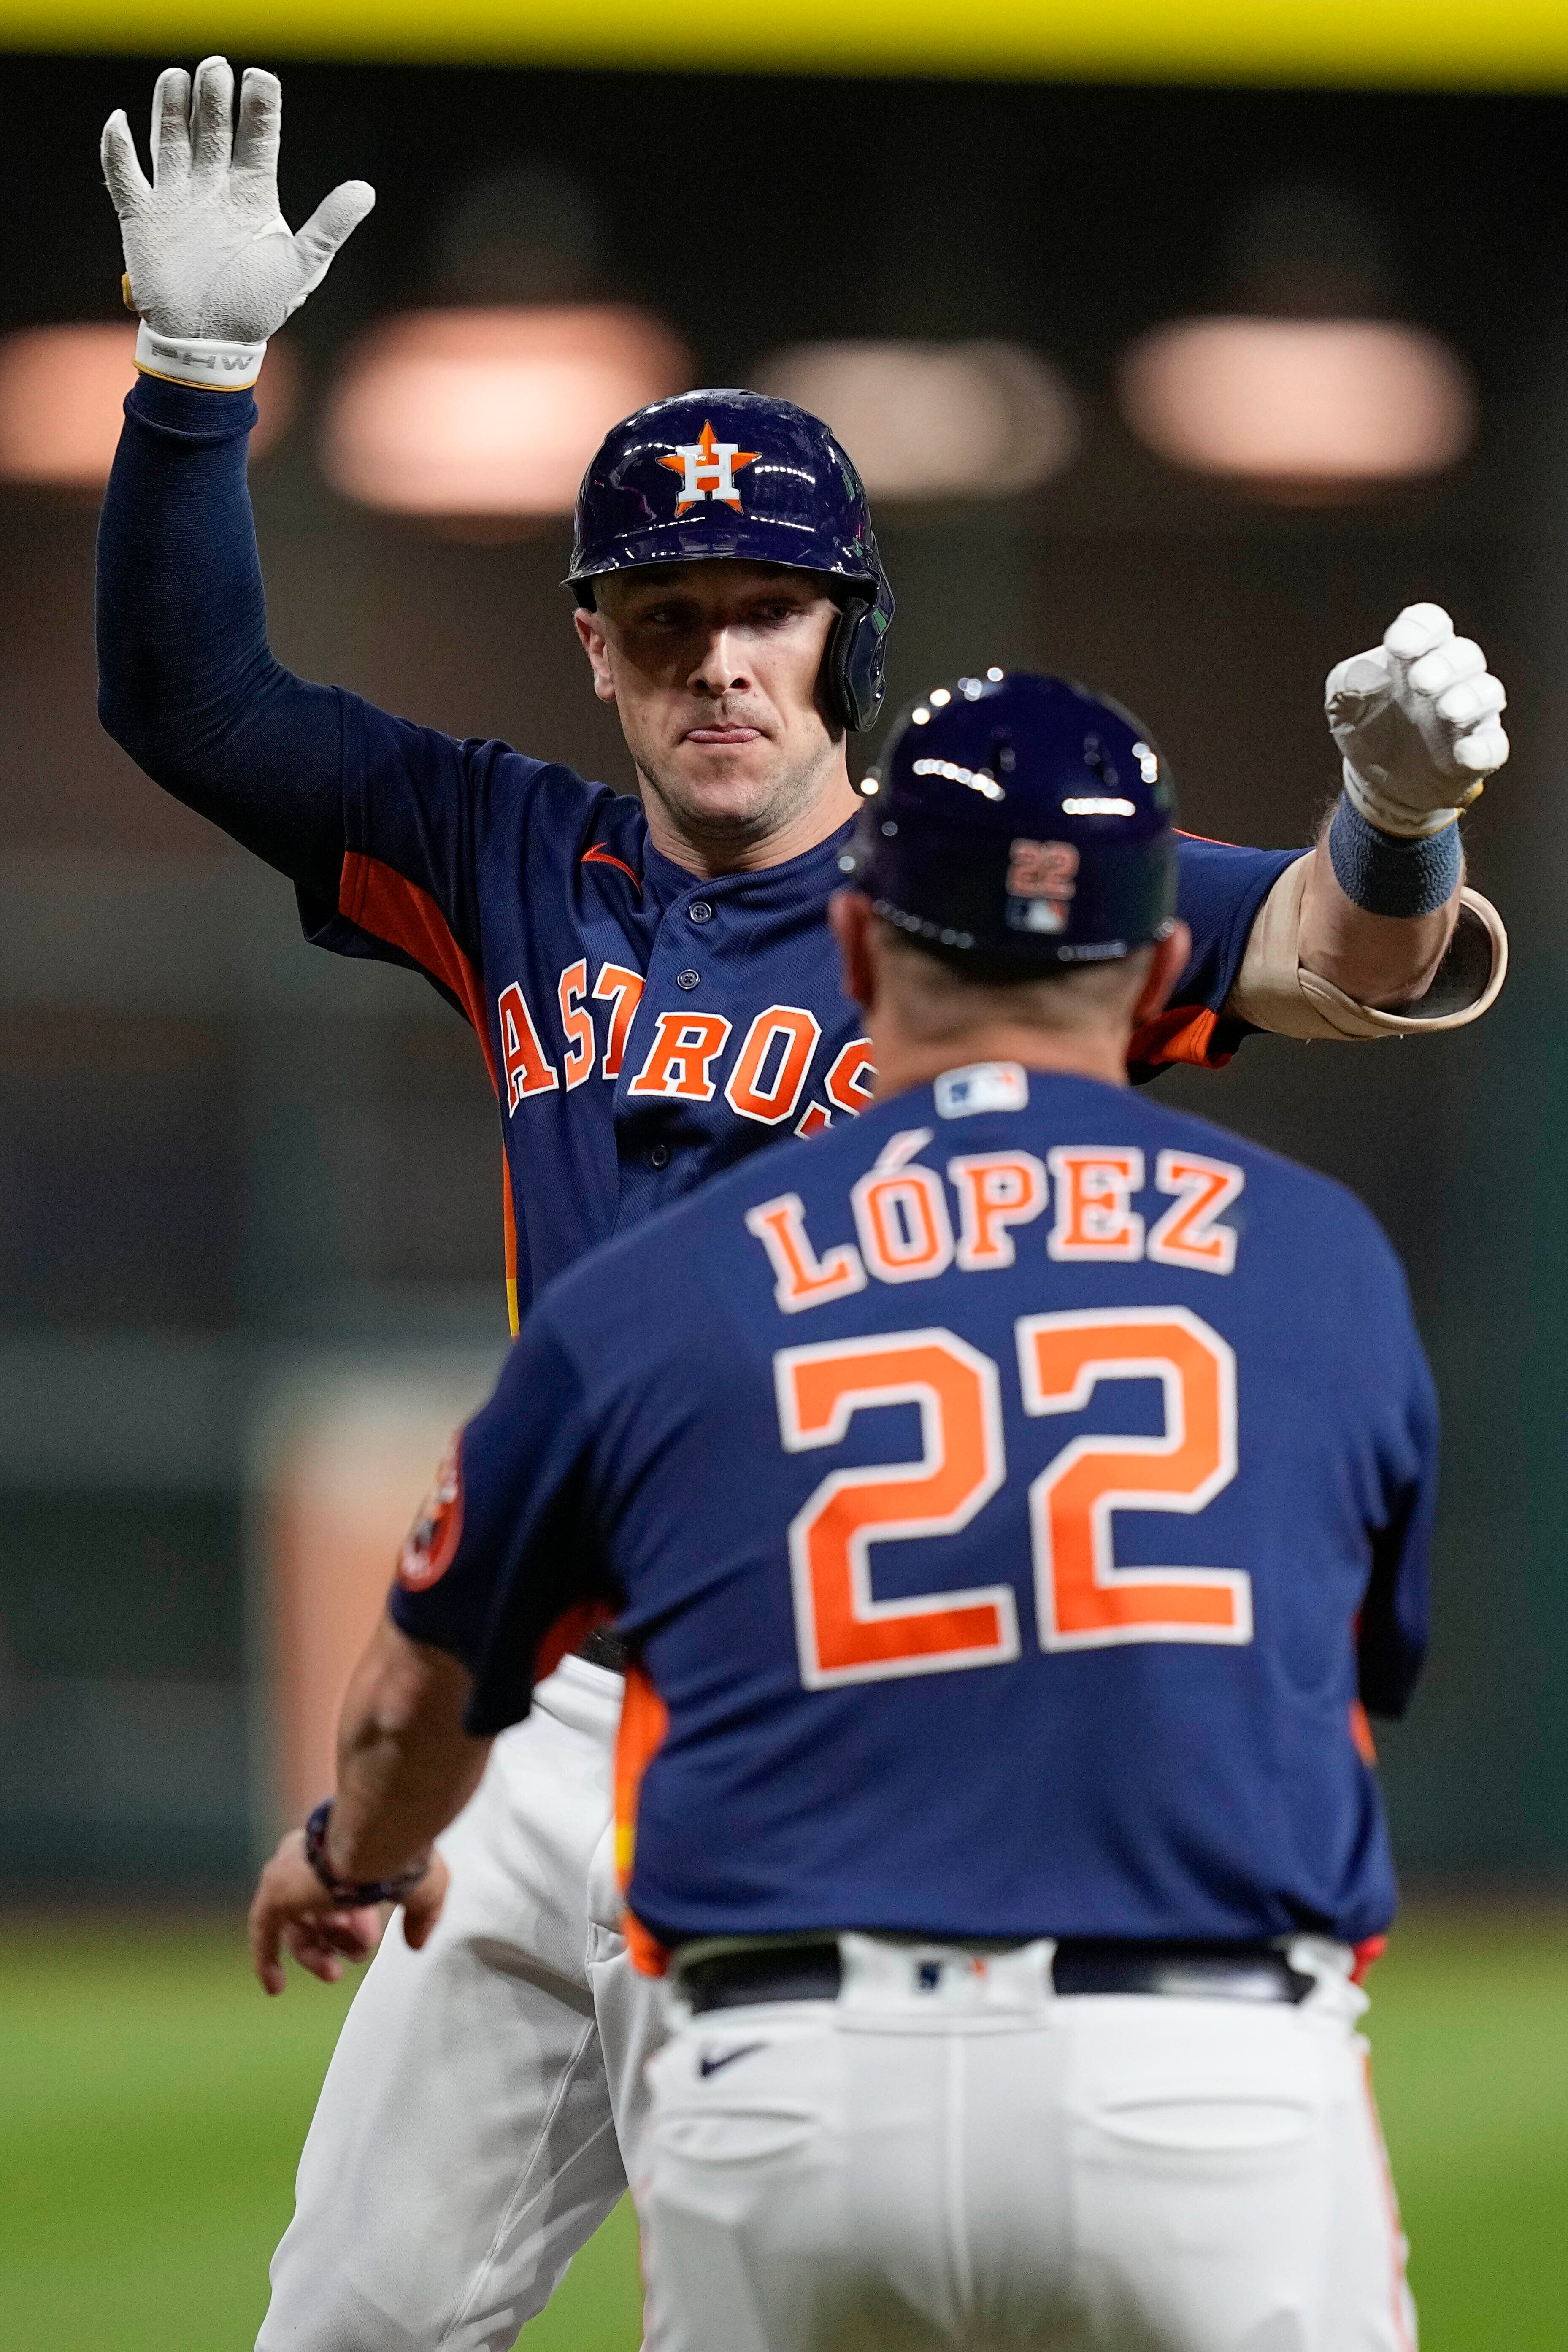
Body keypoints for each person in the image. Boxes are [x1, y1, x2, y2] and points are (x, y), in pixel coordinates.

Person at [97, 59, 1495, 2352]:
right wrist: (188, 387)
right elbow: (198, 702)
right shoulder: (509, 853)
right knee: (344, 2318)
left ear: (842, 627)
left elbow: (1344, 957)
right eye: (663, 615)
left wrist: (1404, 828)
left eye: (767, 609)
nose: (719, 659)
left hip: (880, 1706)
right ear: (589, 638)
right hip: (574, 1714)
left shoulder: (970, 881)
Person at [251, 668, 1435, 2352]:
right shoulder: (1314, 1259)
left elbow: (410, 1686)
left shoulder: (663, 1287)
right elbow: (1362, 1662)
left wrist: (344, 1851)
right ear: (1164, 970)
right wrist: (1395, 829)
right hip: (1207, 2070)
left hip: (789, 2077)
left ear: (861, 952)